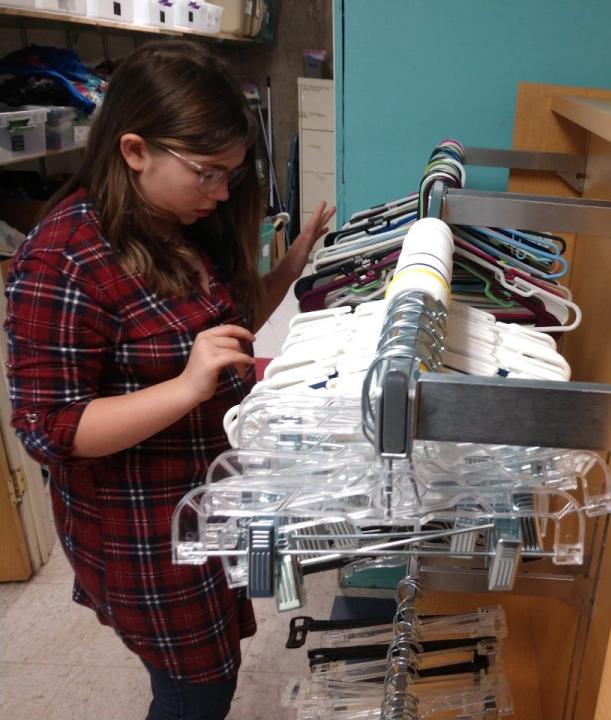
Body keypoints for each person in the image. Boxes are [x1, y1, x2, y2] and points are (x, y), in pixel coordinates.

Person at [3, 40, 336, 720]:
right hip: (141, 529)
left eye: (231, 177)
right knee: (197, 687)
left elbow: (226, 329)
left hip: (203, 505)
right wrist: (186, 388)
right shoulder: (63, 258)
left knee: (208, 665)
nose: (220, 194)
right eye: (208, 174)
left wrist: (292, 265)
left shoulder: (176, 225)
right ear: (134, 151)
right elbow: (49, 430)